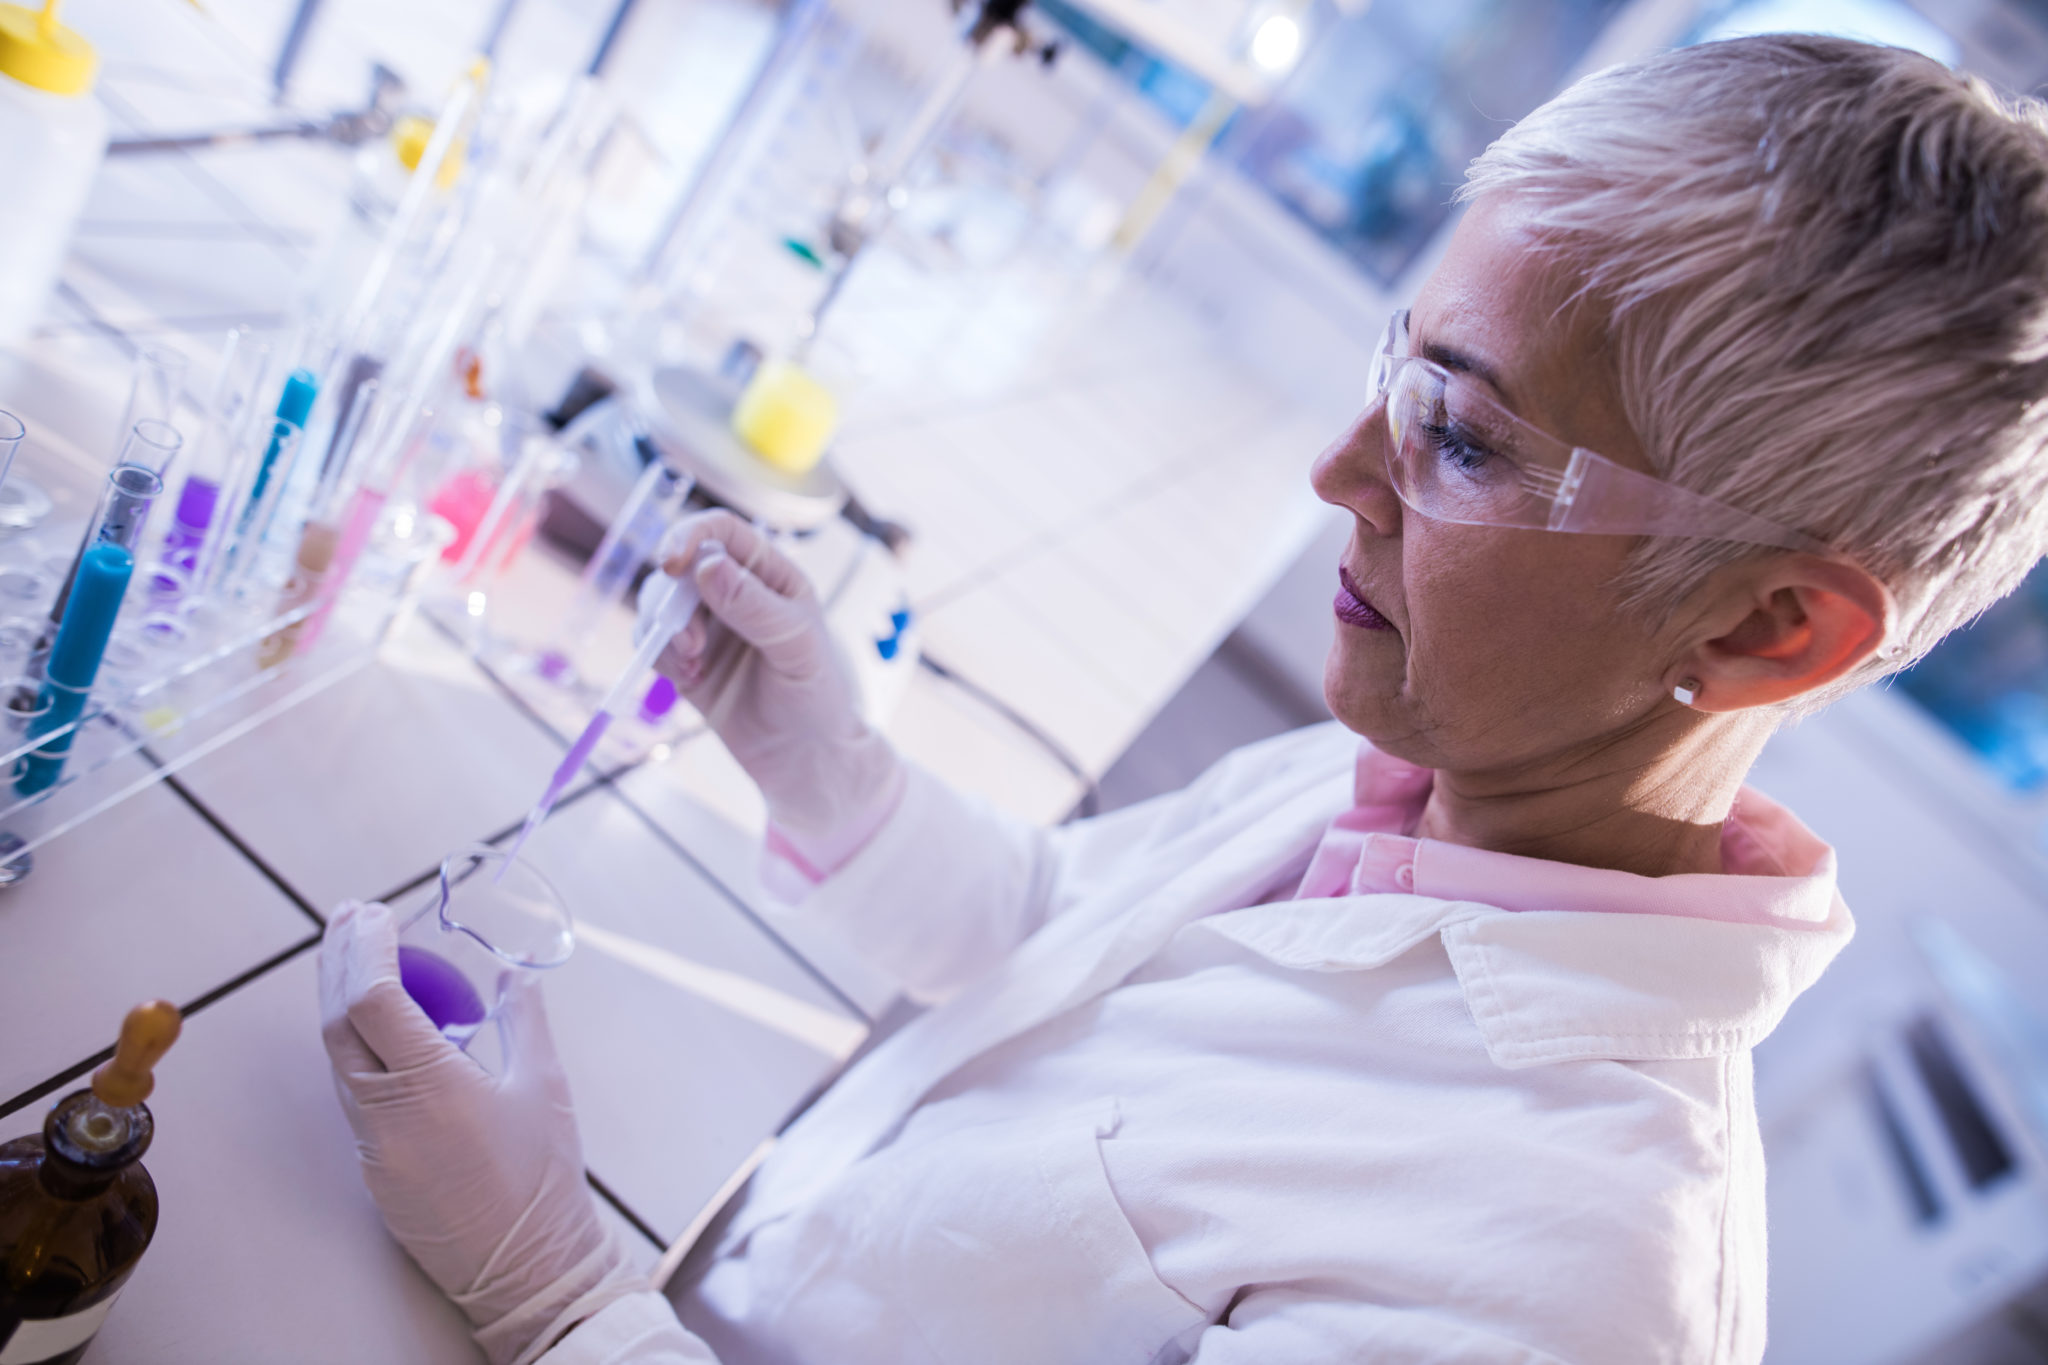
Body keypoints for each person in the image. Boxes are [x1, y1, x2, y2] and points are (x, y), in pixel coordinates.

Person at [321, 33, 2048, 1365]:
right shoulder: (1434, 772)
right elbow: (1051, 931)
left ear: (1768, 625)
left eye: (1464, 435)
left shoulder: (1562, 1283)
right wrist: (833, 768)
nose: (1338, 469)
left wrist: (553, 1291)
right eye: (1404, 367)